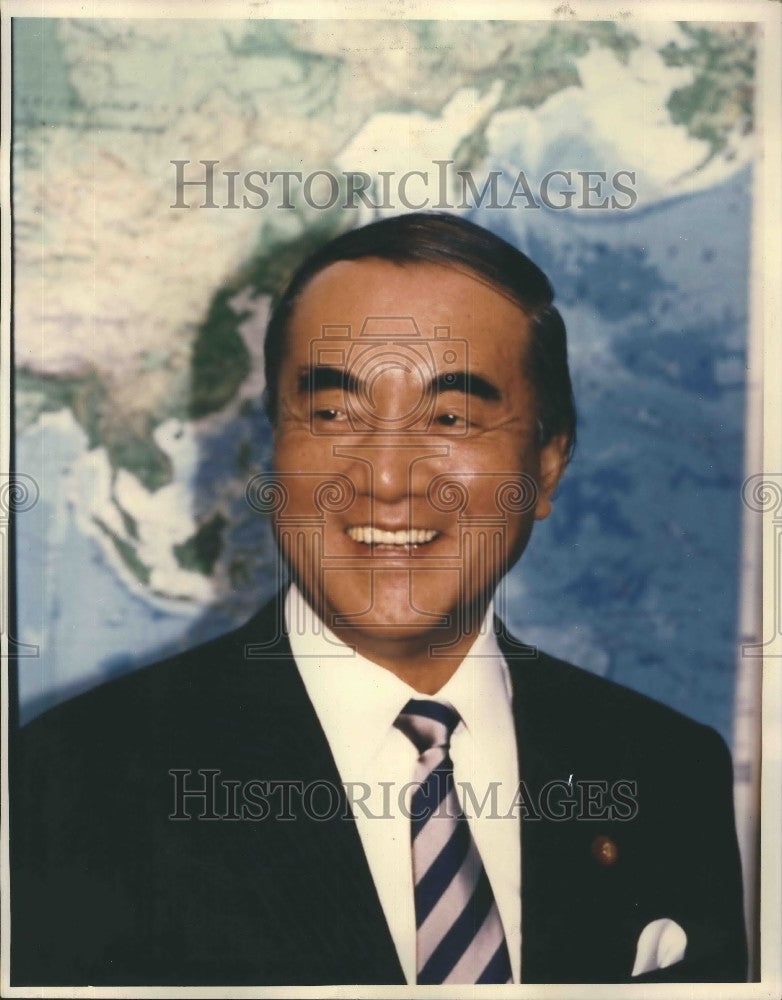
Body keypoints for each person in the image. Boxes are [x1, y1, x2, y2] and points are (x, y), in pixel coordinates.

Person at [10, 213, 747, 986]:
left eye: (451, 418)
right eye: (333, 415)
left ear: (548, 465)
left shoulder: (665, 768)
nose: (386, 479)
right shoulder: (80, 781)